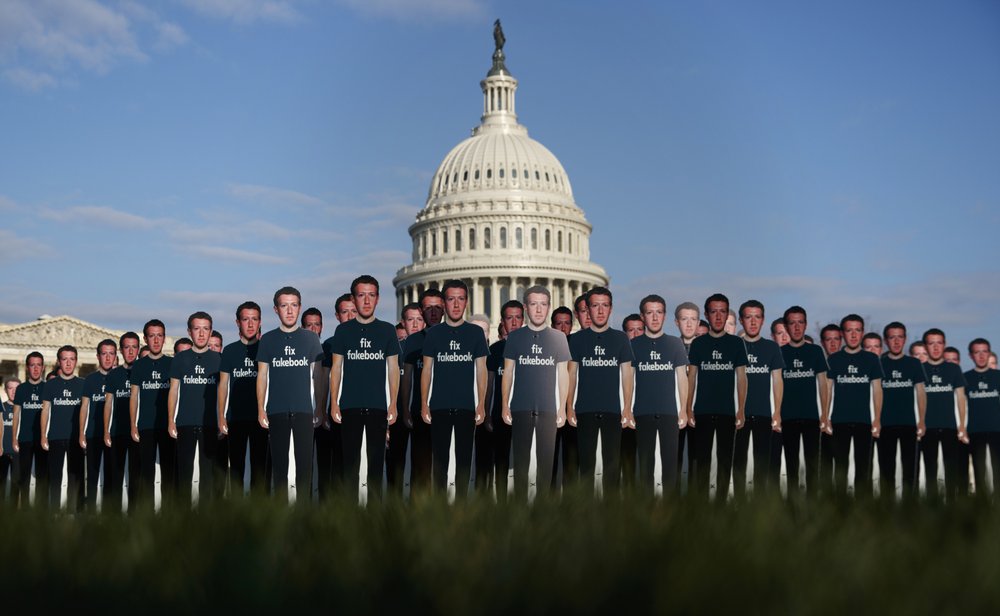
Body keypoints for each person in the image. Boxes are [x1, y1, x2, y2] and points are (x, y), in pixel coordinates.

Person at [329, 275, 400, 503]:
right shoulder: (343, 331)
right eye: (361, 295)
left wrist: (393, 403)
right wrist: (334, 402)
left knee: (375, 467)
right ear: (354, 299)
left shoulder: (387, 330)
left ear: (378, 298)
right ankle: (350, 514)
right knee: (350, 466)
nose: (367, 301)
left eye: (371, 295)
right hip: (349, 407)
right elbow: (336, 368)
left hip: (378, 407)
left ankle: (375, 515)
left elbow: (393, 369)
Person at [257, 287, 325, 503]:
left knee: (305, 468)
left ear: (300, 307)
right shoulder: (267, 340)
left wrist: (319, 407)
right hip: (276, 411)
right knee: (280, 469)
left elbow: (318, 376)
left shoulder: (311, 339)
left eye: (294, 305)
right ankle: (280, 514)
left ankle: (304, 513)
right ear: (276, 309)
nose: (289, 310)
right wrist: (261, 408)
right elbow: (262, 376)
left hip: (304, 411)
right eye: (284, 305)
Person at [420, 280, 488, 498]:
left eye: (460, 299)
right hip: (439, 406)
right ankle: (440, 507)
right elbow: (427, 370)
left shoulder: (475, 333)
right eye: (451, 299)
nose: (456, 305)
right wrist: (424, 403)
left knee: (464, 461)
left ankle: (461, 507)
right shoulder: (433, 334)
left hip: (466, 406)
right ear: (444, 303)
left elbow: (481, 370)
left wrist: (481, 403)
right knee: (440, 462)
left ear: (467, 302)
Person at [502, 286, 570, 501]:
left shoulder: (559, 338)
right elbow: (508, 372)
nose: (539, 310)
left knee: (546, 466)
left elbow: (563, 374)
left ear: (549, 307)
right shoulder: (515, 337)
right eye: (534, 304)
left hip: (549, 409)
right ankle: (520, 509)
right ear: (526, 307)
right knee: (521, 464)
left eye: (543, 304)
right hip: (520, 407)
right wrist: (505, 404)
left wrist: (562, 408)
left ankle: (544, 509)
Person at [567, 287, 634, 496]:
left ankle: (611, 509)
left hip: (613, 410)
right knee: (586, 467)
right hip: (584, 410)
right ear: (587, 309)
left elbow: (627, 375)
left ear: (611, 308)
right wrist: (569, 407)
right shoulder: (577, 339)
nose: (601, 311)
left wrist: (627, 408)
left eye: (605, 305)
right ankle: (586, 510)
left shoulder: (620, 339)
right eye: (595, 306)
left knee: (612, 467)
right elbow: (571, 375)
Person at [686, 294, 748, 500]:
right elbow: (692, 377)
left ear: (728, 313)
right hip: (702, 411)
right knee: (702, 462)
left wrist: (741, 409)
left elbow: (742, 378)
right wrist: (688, 408)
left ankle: (721, 505)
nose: (719, 316)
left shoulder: (737, 343)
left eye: (723, 311)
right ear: (707, 315)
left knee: (724, 462)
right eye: (714, 312)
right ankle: (701, 505)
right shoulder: (698, 344)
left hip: (727, 412)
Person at [630, 295, 688, 496]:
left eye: (659, 312)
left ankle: (671, 507)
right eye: (650, 313)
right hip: (642, 412)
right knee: (645, 466)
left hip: (669, 413)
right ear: (642, 316)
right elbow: (628, 380)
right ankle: (646, 506)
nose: (655, 318)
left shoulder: (674, 344)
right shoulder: (633, 345)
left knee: (670, 466)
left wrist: (683, 410)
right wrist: (627, 409)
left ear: (664, 315)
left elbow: (682, 379)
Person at [167, 312, 222, 506]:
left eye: (205, 329)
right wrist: (171, 420)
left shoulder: (219, 359)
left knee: (207, 475)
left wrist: (222, 420)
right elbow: (173, 390)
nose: (201, 333)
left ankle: (206, 515)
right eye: (197, 329)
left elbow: (224, 392)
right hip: (185, 423)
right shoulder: (180, 359)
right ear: (189, 332)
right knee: (184, 474)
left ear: (211, 332)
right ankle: (183, 515)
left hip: (210, 424)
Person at [826, 315, 883, 498]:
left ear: (862, 332)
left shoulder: (872, 359)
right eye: (849, 330)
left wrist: (877, 419)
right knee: (840, 467)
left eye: (857, 330)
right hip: (839, 421)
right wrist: (825, 416)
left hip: (864, 422)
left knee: (864, 467)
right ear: (843, 334)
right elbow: (827, 389)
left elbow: (877, 390)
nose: (853, 335)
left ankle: (863, 505)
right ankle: (839, 505)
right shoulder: (834, 359)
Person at [732, 300, 784, 498]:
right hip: (737, 416)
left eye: (757, 317)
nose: (753, 322)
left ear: (763, 320)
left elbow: (777, 380)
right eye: (748, 317)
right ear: (741, 320)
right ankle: (738, 503)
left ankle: (760, 503)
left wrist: (777, 412)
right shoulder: (733, 346)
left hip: (764, 414)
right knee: (738, 462)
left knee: (763, 464)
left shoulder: (772, 348)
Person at [218, 302, 268, 496]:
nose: (250, 324)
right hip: (236, 418)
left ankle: (259, 507)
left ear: (260, 322)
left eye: (254, 319)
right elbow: (223, 385)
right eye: (246, 319)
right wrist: (221, 416)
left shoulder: (266, 348)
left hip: (262, 419)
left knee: (260, 468)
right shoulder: (230, 351)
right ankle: (236, 508)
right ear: (237, 322)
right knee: (237, 468)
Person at [779, 306, 830, 496]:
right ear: (786, 327)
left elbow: (823, 383)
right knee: (791, 465)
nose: (797, 327)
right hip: (787, 417)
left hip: (811, 417)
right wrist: (776, 413)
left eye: (800, 322)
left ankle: (813, 501)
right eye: (792, 323)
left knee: (812, 465)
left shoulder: (815, 351)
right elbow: (775, 386)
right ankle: (792, 503)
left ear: (806, 325)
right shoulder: (779, 352)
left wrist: (824, 413)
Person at [401, 289, 444, 495]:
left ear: (444, 308)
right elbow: (407, 379)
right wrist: (405, 409)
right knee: (420, 468)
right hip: (420, 410)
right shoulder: (413, 341)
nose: (433, 313)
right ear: (421, 310)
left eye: (437, 308)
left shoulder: (455, 337)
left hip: (447, 410)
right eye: (428, 308)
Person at [877, 322, 926, 499]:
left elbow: (921, 392)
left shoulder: (914, 363)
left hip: (909, 424)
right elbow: (873, 393)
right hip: (885, 424)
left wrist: (921, 420)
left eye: (900, 337)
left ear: (905, 339)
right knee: (886, 470)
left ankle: (910, 505)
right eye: (892, 337)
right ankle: (886, 506)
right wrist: (875, 420)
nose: (896, 341)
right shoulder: (879, 363)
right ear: (885, 341)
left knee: (910, 469)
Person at [130, 319, 175, 511]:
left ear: (164, 338)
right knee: (146, 473)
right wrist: (133, 424)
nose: (156, 340)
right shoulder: (139, 366)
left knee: (169, 472)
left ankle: (168, 512)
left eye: (159, 336)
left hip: (167, 426)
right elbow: (134, 396)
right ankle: (147, 513)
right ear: (145, 339)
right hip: (146, 426)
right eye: (152, 336)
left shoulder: (172, 363)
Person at [481, 300, 523, 500]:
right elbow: (489, 384)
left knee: (524, 463)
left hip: (525, 414)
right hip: (499, 413)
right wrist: (487, 413)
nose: (513, 322)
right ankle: (502, 502)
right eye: (509, 318)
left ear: (523, 320)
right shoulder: (495, 350)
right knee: (501, 462)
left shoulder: (532, 347)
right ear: (502, 322)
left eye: (517, 318)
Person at [921, 328, 968, 500]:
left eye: (939, 343)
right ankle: (932, 505)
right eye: (931, 343)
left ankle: (952, 506)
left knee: (951, 471)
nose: (935, 347)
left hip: (950, 427)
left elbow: (961, 398)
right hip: (926, 428)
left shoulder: (954, 369)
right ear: (925, 346)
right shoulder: (919, 369)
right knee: (930, 470)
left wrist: (961, 425)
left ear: (944, 344)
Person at [40, 345, 86, 509]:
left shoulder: (83, 384)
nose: (68, 363)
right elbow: (45, 410)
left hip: (76, 437)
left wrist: (83, 434)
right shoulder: (50, 384)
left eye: (71, 359)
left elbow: (86, 410)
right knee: (55, 476)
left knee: (75, 475)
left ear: (76, 361)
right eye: (64, 359)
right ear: (59, 362)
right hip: (55, 436)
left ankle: (73, 510)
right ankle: (54, 510)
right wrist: (43, 435)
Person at [387, 303, 425, 495]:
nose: (416, 324)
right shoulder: (395, 350)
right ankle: (394, 502)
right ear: (403, 322)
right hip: (397, 415)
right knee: (395, 462)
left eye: (419, 319)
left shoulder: (429, 348)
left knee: (421, 465)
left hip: (420, 413)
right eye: (411, 320)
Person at [103, 332, 139, 512]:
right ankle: (115, 514)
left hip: (139, 431)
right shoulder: (114, 374)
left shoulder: (143, 370)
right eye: (126, 347)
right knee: (116, 475)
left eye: (134, 347)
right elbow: (108, 403)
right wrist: (106, 430)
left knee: (136, 475)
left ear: (138, 349)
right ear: (121, 350)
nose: (130, 351)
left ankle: (134, 513)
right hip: (117, 430)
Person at [79, 339, 116, 510]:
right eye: (104, 354)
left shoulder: (120, 377)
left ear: (115, 356)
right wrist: (82, 432)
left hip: (114, 433)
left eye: (111, 354)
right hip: (94, 432)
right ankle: (92, 510)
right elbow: (84, 407)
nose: (108, 358)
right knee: (92, 473)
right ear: (98, 356)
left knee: (111, 473)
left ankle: (109, 510)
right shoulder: (90, 379)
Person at [964, 338, 999, 498]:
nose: (981, 356)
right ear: (971, 355)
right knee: (979, 471)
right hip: (975, 431)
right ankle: (982, 503)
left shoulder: (998, 376)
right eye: (977, 352)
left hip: (997, 430)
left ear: (989, 353)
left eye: (984, 351)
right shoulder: (965, 378)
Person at [11, 353, 46, 507]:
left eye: (39, 365)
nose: (36, 369)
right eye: (32, 365)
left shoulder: (47, 387)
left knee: (42, 475)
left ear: (43, 367)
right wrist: (14, 438)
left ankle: (40, 509)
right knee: (24, 476)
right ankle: (25, 508)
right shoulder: (21, 389)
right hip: (25, 438)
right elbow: (16, 415)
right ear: (27, 368)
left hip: (43, 438)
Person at [619, 313, 644, 489]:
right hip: (623, 417)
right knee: (624, 462)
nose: (635, 334)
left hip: (646, 415)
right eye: (631, 330)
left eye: (639, 330)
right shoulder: (618, 355)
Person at [1, 378, 20, 502]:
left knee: (16, 485)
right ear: (5, 390)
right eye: (10, 388)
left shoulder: (25, 408)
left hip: (18, 453)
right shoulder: (1, 407)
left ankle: (13, 510)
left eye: (17, 388)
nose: (13, 392)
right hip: (2, 452)